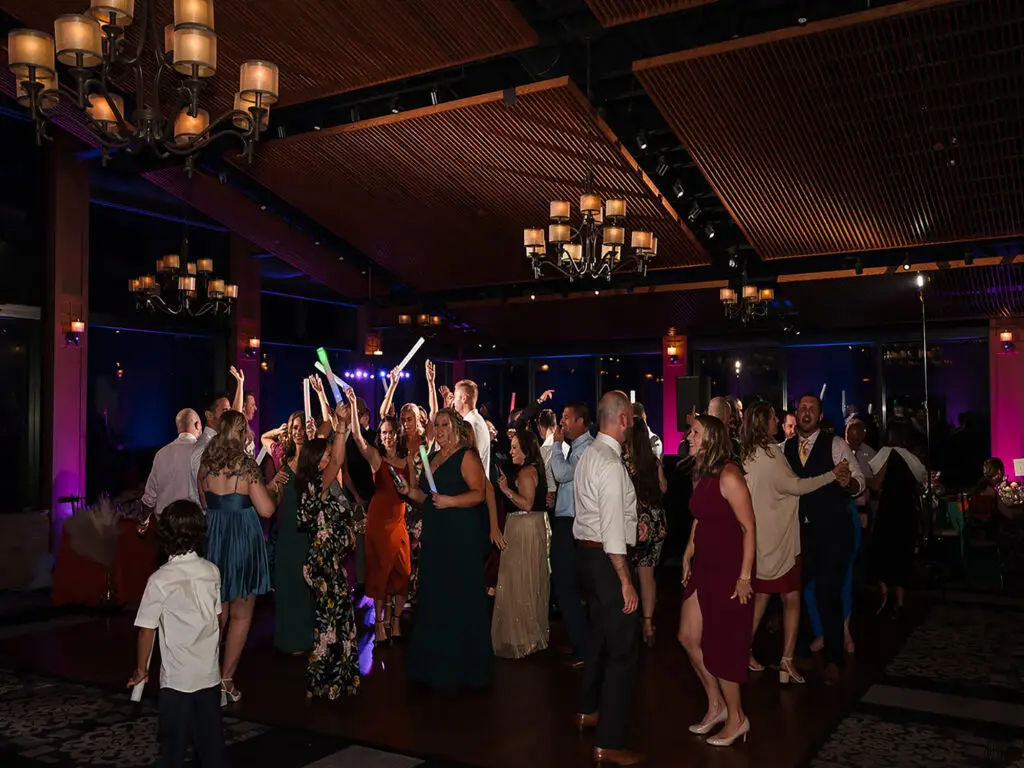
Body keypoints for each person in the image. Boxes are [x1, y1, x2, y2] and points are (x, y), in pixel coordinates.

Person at [738, 402, 844, 684]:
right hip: (780, 540)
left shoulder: (745, 453)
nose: (780, 421)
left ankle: (742, 651)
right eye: (774, 417)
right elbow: (796, 486)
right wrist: (831, 475)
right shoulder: (771, 454)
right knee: (792, 598)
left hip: (758, 539)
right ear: (765, 422)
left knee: (761, 596)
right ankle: (786, 662)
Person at [573, 391, 643, 766]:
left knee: (599, 637)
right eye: (630, 417)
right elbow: (613, 529)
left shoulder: (587, 455)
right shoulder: (611, 464)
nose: (632, 423)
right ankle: (610, 742)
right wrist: (625, 579)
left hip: (586, 556)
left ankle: (588, 709)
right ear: (623, 419)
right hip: (607, 559)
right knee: (623, 651)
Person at [400, 408, 492, 690]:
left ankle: (463, 667)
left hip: (460, 535)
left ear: (455, 428)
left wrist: (450, 501)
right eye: (435, 425)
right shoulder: (433, 457)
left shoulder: (466, 456)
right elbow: (426, 498)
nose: (438, 430)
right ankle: (434, 664)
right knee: (435, 596)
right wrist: (407, 491)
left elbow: (479, 493)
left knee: (458, 596)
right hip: (437, 535)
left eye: (443, 425)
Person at [130, 499, 226, 767]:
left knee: (173, 748)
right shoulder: (211, 572)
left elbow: (146, 631)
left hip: (176, 681)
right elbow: (218, 618)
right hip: (209, 676)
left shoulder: (159, 580)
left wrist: (141, 670)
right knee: (212, 747)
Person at [678, 415, 756, 747]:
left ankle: (737, 719)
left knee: (722, 646)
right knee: (687, 636)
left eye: (695, 432)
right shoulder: (703, 473)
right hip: (704, 565)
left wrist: (744, 577)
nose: (689, 437)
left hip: (728, 569)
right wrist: (688, 550)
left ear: (711, 437)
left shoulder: (729, 474)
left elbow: (749, 528)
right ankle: (717, 704)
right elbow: (700, 517)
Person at [785, 393, 864, 684]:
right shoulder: (785, 448)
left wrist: (849, 482)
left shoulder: (836, 444)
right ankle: (803, 649)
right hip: (800, 533)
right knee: (796, 589)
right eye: (802, 408)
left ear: (819, 416)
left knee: (828, 592)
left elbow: (858, 482)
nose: (806, 412)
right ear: (796, 414)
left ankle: (834, 657)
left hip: (832, 531)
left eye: (812, 409)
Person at [198, 411, 276, 704]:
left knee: (217, 612)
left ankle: (206, 675)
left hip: (215, 539)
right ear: (242, 432)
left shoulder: (205, 467)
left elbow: (204, 501)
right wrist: (275, 490)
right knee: (242, 613)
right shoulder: (246, 468)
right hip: (242, 541)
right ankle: (225, 680)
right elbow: (267, 510)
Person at [295, 426, 360, 700]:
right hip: (322, 563)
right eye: (321, 457)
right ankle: (322, 683)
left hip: (331, 561)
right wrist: (342, 427)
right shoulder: (316, 484)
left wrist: (350, 531)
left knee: (341, 620)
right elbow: (337, 460)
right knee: (330, 623)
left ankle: (335, 682)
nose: (326, 460)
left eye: (327, 456)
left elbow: (339, 515)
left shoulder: (330, 485)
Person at [347, 384, 410, 643]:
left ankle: (396, 620)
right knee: (380, 573)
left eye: (391, 433)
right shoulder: (376, 458)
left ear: (397, 435)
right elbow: (357, 437)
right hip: (378, 521)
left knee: (403, 572)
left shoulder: (407, 460)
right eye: (383, 433)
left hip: (399, 521)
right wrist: (352, 405)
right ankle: (381, 623)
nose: (386, 437)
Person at [493, 429, 550, 658]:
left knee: (521, 582)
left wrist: (506, 490)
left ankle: (523, 637)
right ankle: (526, 636)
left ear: (526, 450)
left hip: (525, 529)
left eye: (515, 447)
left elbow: (526, 504)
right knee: (526, 581)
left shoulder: (527, 472)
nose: (511, 451)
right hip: (529, 528)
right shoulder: (531, 470)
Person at [550, 401, 594, 667]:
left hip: (572, 524)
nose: (562, 423)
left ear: (580, 422)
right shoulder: (577, 448)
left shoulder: (584, 449)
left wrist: (556, 446)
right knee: (570, 586)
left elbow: (562, 473)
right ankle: (581, 642)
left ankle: (585, 648)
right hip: (570, 522)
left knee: (566, 585)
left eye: (566, 418)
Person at [269, 410, 316, 655]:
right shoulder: (283, 463)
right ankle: (289, 637)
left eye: (301, 428)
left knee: (305, 584)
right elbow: (274, 499)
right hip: (286, 529)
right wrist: (274, 482)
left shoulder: (315, 461)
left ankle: (307, 637)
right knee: (287, 584)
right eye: (294, 428)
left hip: (307, 530)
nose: (298, 432)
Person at [868, 422, 926, 619]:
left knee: (882, 552)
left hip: (889, 510)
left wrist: (858, 479)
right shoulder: (912, 459)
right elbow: (920, 486)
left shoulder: (887, 453)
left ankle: (884, 593)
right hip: (907, 512)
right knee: (902, 555)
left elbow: (876, 484)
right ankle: (900, 604)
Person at [625, 416, 668, 648]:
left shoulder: (627, 464)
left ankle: (631, 622)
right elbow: (663, 487)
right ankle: (648, 623)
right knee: (648, 575)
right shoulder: (654, 461)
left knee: (630, 573)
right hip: (656, 520)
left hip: (636, 521)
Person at [141, 408, 202, 517]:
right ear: (197, 425)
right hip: (195, 524)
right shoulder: (202, 453)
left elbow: (150, 496)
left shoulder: (161, 454)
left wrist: (144, 520)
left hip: (167, 525)